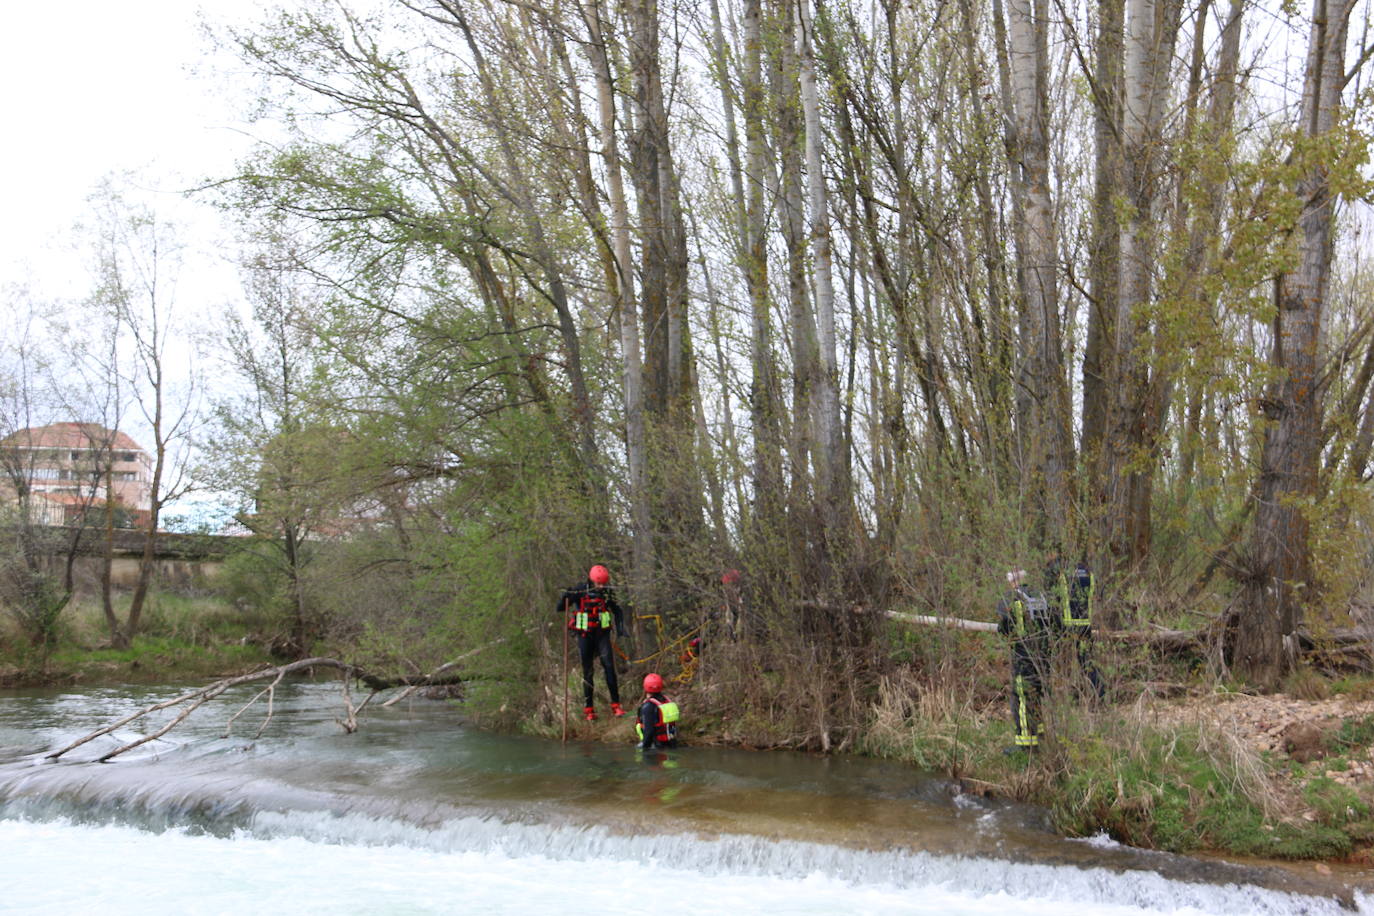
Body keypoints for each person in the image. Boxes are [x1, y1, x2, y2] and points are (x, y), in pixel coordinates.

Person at [558, 564, 628, 720]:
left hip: (602, 635)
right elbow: (560, 608)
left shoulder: (608, 593)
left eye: (603, 583)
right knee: (588, 672)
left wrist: (621, 628)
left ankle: (616, 706)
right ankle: (589, 709)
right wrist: (565, 596)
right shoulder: (579, 590)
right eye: (599, 583)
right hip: (584, 636)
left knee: (609, 667)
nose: (601, 586)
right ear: (591, 579)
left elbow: (617, 610)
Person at [996, 569, 1052, 752]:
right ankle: (1039, 733)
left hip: (1023, 655)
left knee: (1020, 698)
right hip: (1043, 656)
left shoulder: (1011, 598)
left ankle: (1025, 744)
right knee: (1036, 694)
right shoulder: (1039, 595)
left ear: (1012, 581)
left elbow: (1004, 627)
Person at [1044, 551, 1105, 699]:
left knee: (1047, 657)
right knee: (1087, 661)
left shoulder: (1057, 570)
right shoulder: (1087, 572)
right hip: (1084, 624)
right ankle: (1100, 694)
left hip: (1065, 624)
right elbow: (1098, 594)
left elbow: (1051, 597)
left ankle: (1048, 694)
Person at [636, 672, 680, 749]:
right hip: (671, 744)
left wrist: (644, 748)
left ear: (645, 686)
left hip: (655, 746)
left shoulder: (648, 707)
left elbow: (648, 732)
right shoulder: (666, 701)